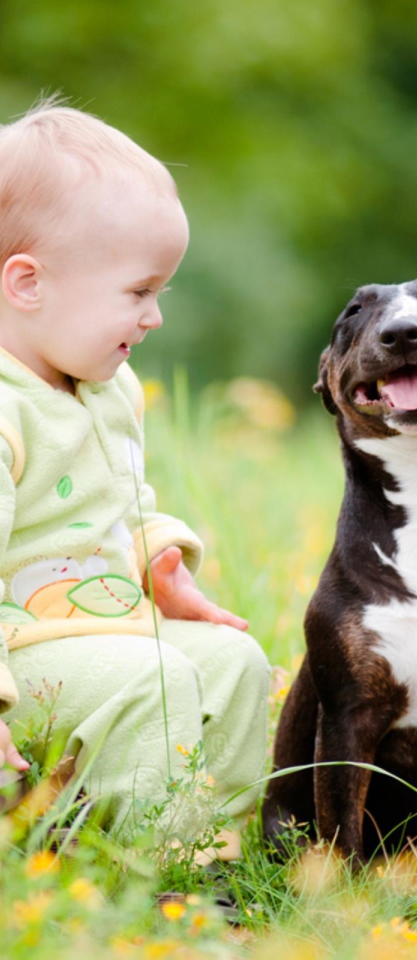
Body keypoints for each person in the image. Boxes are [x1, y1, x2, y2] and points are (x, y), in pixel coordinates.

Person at [0, 101, 270, 846]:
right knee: (151, 683)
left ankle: (221, 853)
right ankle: (156, 871)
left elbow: (121, 501)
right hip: (18, 664)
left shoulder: (108, 390)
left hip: (104, 630)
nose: (154, 318)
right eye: (137, 292)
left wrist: (158, 557)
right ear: (28, 283)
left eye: (161, 293)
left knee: (232, 664)